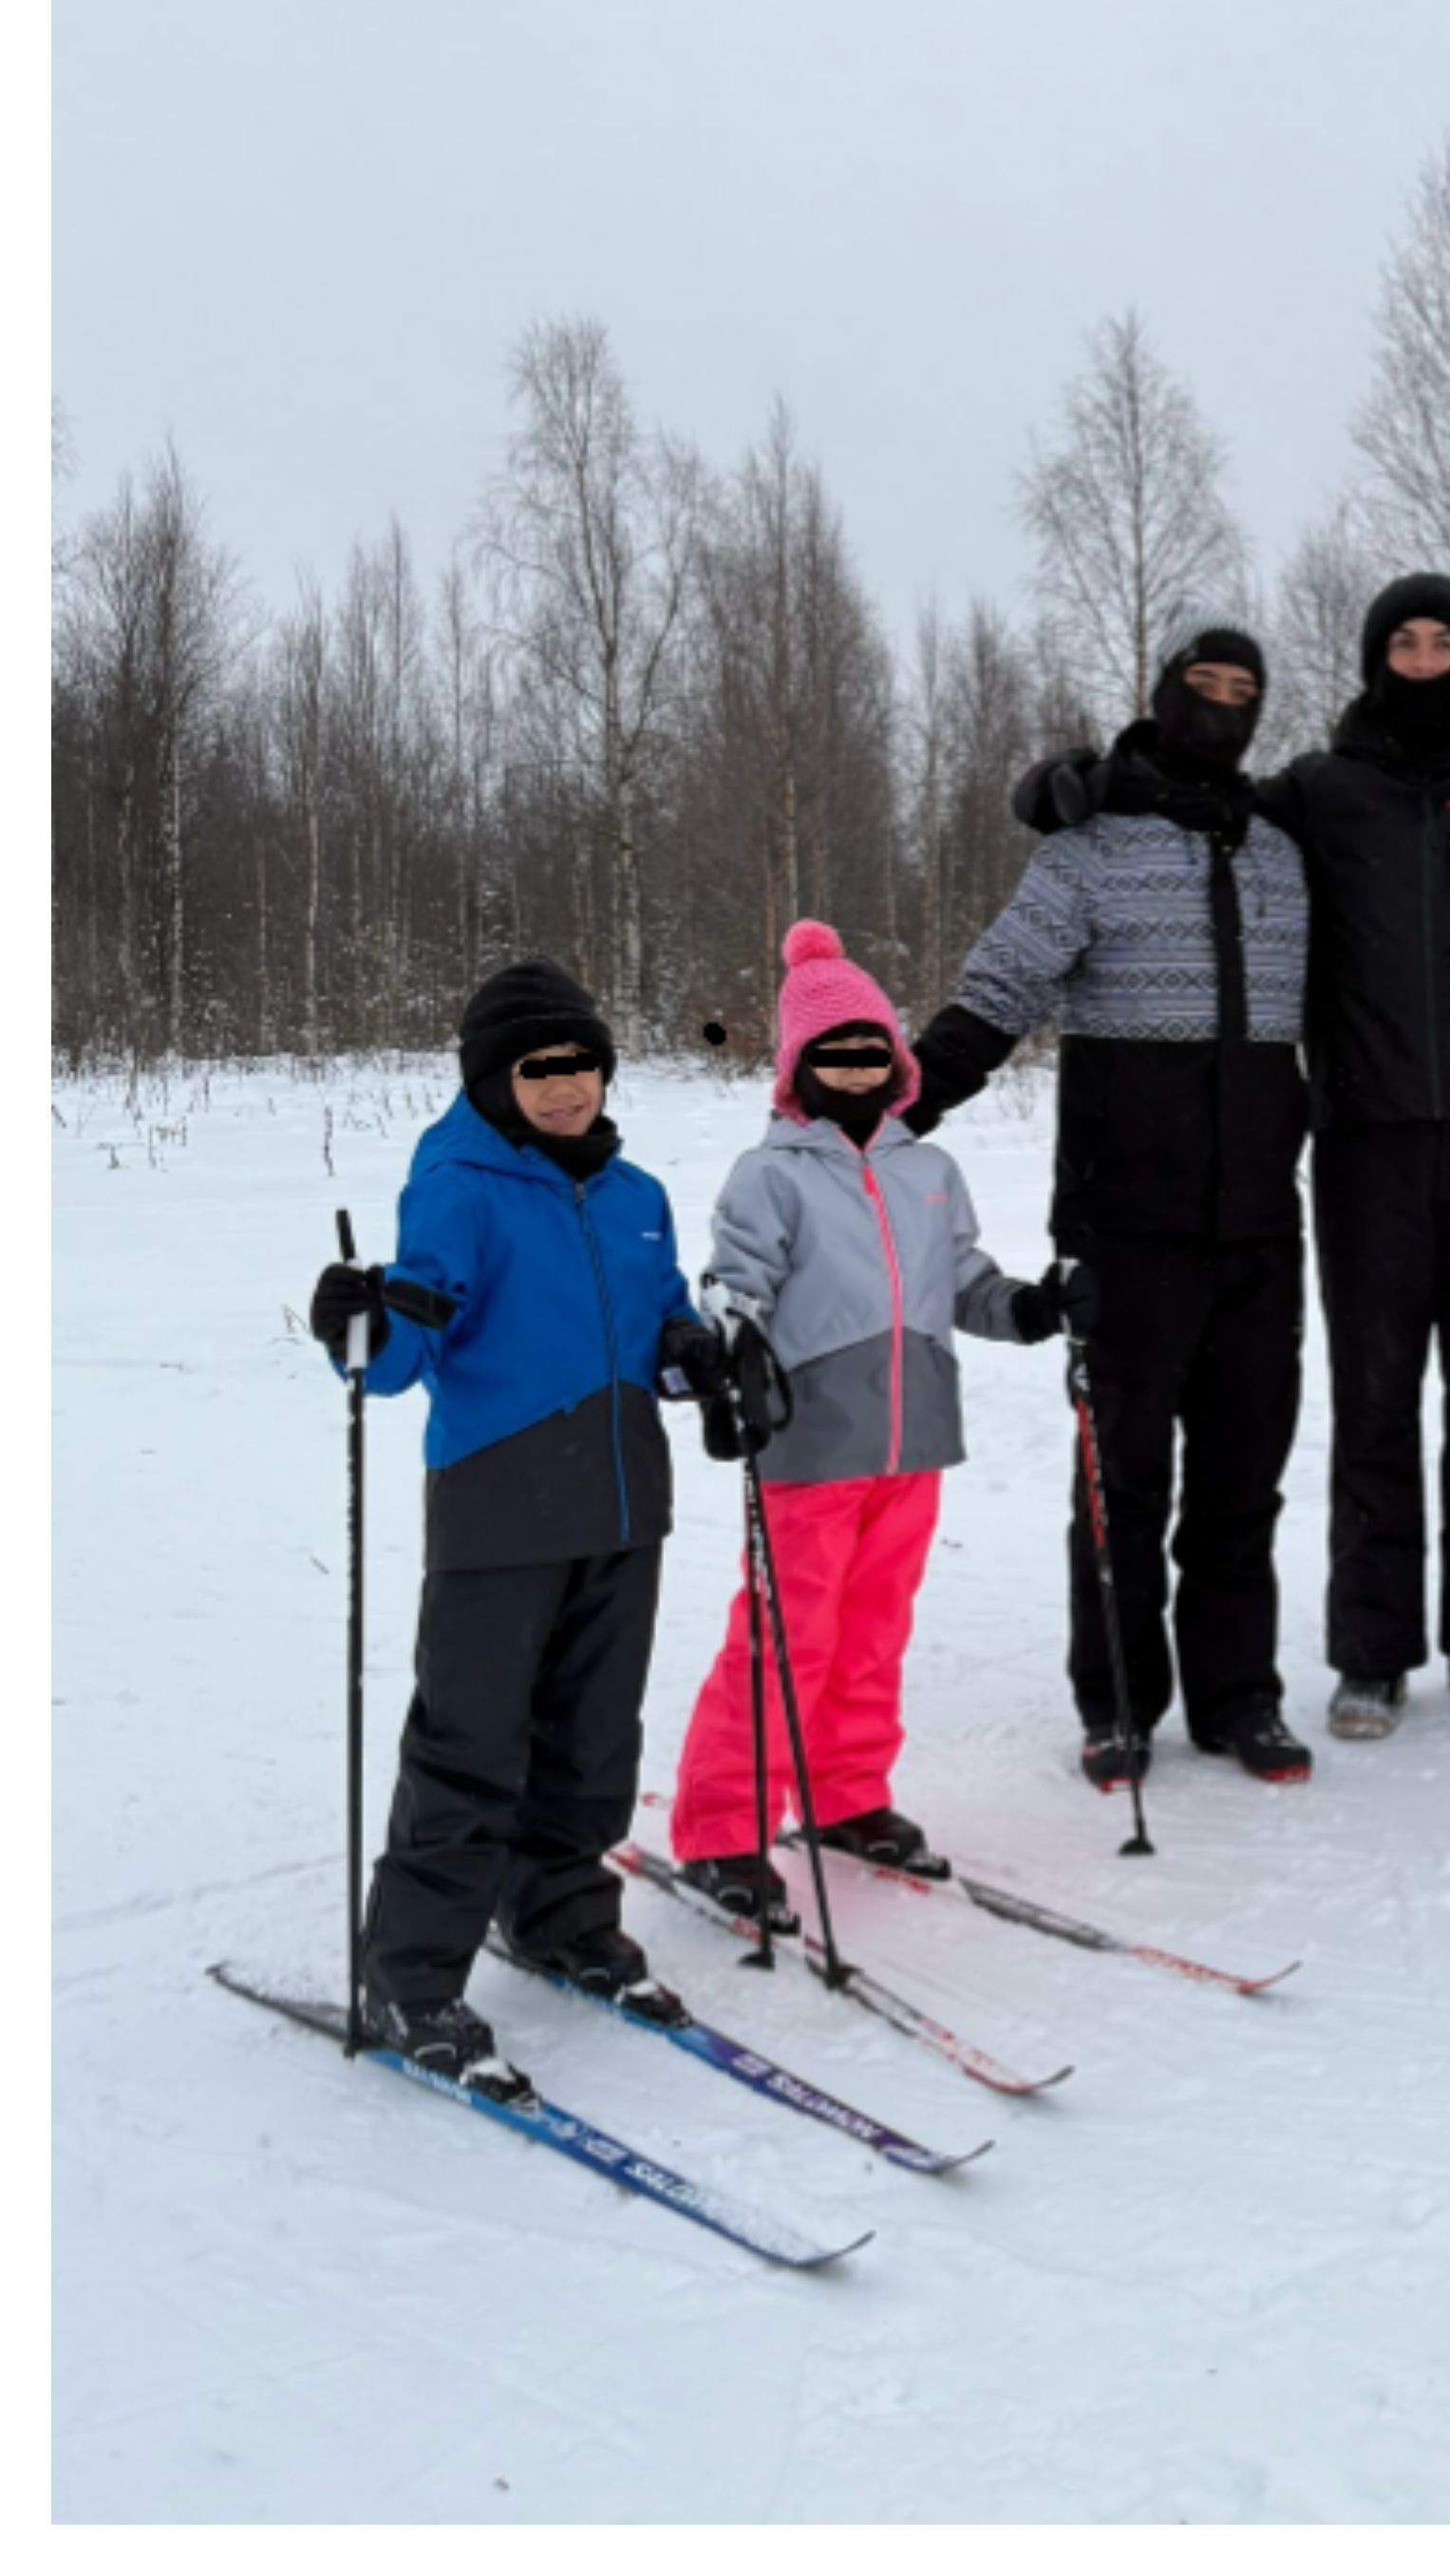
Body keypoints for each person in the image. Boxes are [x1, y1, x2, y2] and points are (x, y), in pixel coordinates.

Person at [305, 956, 727, 2086]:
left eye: (582, 1064)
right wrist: (361, 1323)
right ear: (493, 1080)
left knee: (595, 1738)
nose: (564, 1088)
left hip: (625, 1502)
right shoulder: (459, 1184)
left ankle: (560, 1916)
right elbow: (405, 1352)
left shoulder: (636, 1196)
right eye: (538, 1070)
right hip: (499, 1504)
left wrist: (692, 1355)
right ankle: (410, 1974)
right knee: (470, 1742)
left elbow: (662, 1316)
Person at [908, 628, 1315, 1788]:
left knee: (1244, 1477)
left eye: (1246, 693)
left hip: (1257, 1221)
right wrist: (894, 1109)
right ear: (1162, 696)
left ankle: (1242, 1698)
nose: (1224, 707)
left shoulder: (1284, 845)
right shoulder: (1087, 846)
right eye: (1205, 687)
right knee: (1121, 1480)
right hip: (1124, 1220)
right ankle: (1120, 1702)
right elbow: (1001, 986)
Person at [666, 923, 1083, 1916]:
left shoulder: (926, 1172)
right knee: (782, 1638)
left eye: (869, 1050)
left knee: (872, 1632)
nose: (854, 1069)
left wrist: (1028, 1308)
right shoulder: (769, 1175)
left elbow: (964, 1281)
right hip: (810, 1446)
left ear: (896, 1063)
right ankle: (722, 1830)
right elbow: (736, 1283)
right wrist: (736, 1345)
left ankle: (843, 1793)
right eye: (832, 1053)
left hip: (913, 1440)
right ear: (796, 1068)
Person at [1248, 573, 1450, 1740]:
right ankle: (1371, 1653)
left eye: (1445, 640)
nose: (1424, 657)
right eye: (1404, 641)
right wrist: (1084, 784)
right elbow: (1206, 801)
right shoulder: (1326, 788)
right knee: (1374, 1403)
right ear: (1376, 656)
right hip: (1365, 1141)